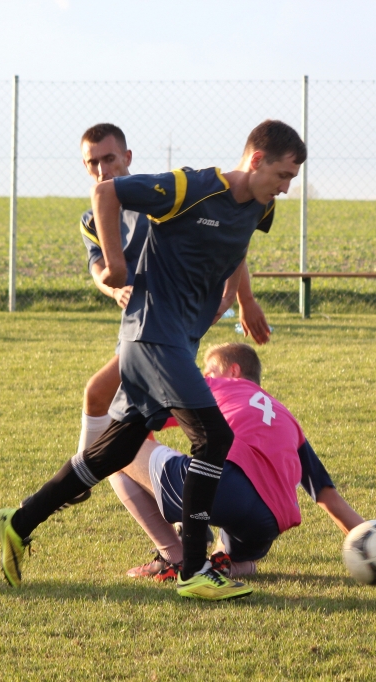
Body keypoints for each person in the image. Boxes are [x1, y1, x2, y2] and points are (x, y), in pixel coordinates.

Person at [0, 120, 305, 601]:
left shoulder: (260, 206)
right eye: (283, 175)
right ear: (257, 160)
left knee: (116, 451)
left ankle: (19, 520)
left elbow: (238, 242)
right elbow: (106, 194)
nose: (286, 187)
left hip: (177, 340)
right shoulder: (192, 187)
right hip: (151, 335)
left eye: (292, 179)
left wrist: (240, 298)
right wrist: (115, 268)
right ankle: (194, 569)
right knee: (214, 437)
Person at [68, 123, 270, 511]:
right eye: (92, 163)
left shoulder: (156, 198)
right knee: (124, 431)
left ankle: (86, 479)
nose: (102, 170)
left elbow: (229, 239)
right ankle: (94, 480)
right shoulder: (93, 218)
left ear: (127, 157)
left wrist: (241, 298)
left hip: (165, 326)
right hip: (141, 325)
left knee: (118, 421)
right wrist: (114, 288)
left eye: (109, 158)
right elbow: (99, 269)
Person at [114, 343, 376, 582]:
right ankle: (232, 563)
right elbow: (326, 495)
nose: (206, 375)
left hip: (225, 489)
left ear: (233, 370)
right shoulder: (286, 417)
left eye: (210, 370)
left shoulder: (216, 386)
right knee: (231, 522)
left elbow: (136, 419)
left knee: (113, 449)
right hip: (266, 524)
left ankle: (173, 556)